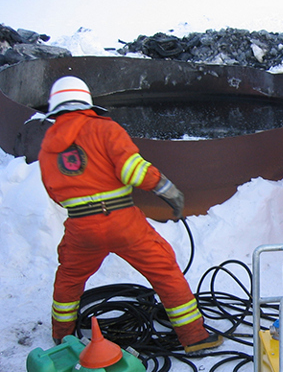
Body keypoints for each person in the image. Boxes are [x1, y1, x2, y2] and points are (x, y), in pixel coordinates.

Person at [38, 76, 222, 353]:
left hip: (81, 227)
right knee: (164, 270)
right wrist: (168, 190)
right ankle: (194, 336)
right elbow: (132, 169)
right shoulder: (103, 128)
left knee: (69, 279)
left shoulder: (48, 147)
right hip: (122, 222)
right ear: (86, 102)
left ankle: (62, 337)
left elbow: (54, 192)